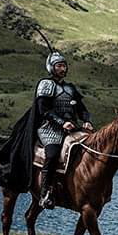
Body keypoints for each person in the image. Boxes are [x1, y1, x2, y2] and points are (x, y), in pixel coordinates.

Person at [34, 51, 94, 209]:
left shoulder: (70, 88)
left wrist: (87, 120)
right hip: (49, 129)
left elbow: (82, 109)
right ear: (51, 68)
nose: (63, 69)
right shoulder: (46, 84)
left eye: (64, 66)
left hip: (71, 129)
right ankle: (45, 193)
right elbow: (43, 109)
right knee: (53, 154)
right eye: (59, 66)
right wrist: (61, 123)